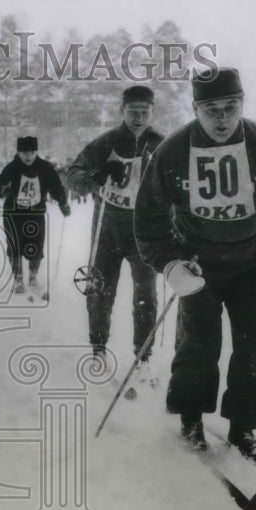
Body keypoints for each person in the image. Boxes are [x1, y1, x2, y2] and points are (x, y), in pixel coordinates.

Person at [133, 67, 256, 460]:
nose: (221, 119)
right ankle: (190, 419)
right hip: (197, 265)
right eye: (211, 109)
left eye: (230, 108)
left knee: (253, 346)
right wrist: (170, 264)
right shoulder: (174, 150)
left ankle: (244, 427)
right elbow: (148, 218)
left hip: (252, 261)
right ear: (195, 108)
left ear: (242, 106)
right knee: (198, 343)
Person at [66, 85, 164, 382]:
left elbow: (179, 185)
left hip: (143, 231)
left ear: (152, 112)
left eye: (144, 112)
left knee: (145, 294)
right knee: (99, 290)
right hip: (108, 228)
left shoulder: (161, 144)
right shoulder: (106, 142)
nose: (138, 118)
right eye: (133, 111)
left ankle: (143, 357)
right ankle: (98, 349)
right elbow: (73, 176)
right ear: (122, 111)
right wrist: (94, 177)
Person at [0, 136, 71, 297]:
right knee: (14, 246)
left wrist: (63, 203)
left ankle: (33, 277)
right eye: (24, 153)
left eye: (32, 153)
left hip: (35, 213)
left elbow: (56, 186)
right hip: (13, 214)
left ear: (36, 152)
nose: (28, 157)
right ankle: (19, 279)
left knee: (35, 245)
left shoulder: (45, 167)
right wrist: (0, 189)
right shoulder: (12, 167)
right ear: (19, 153)